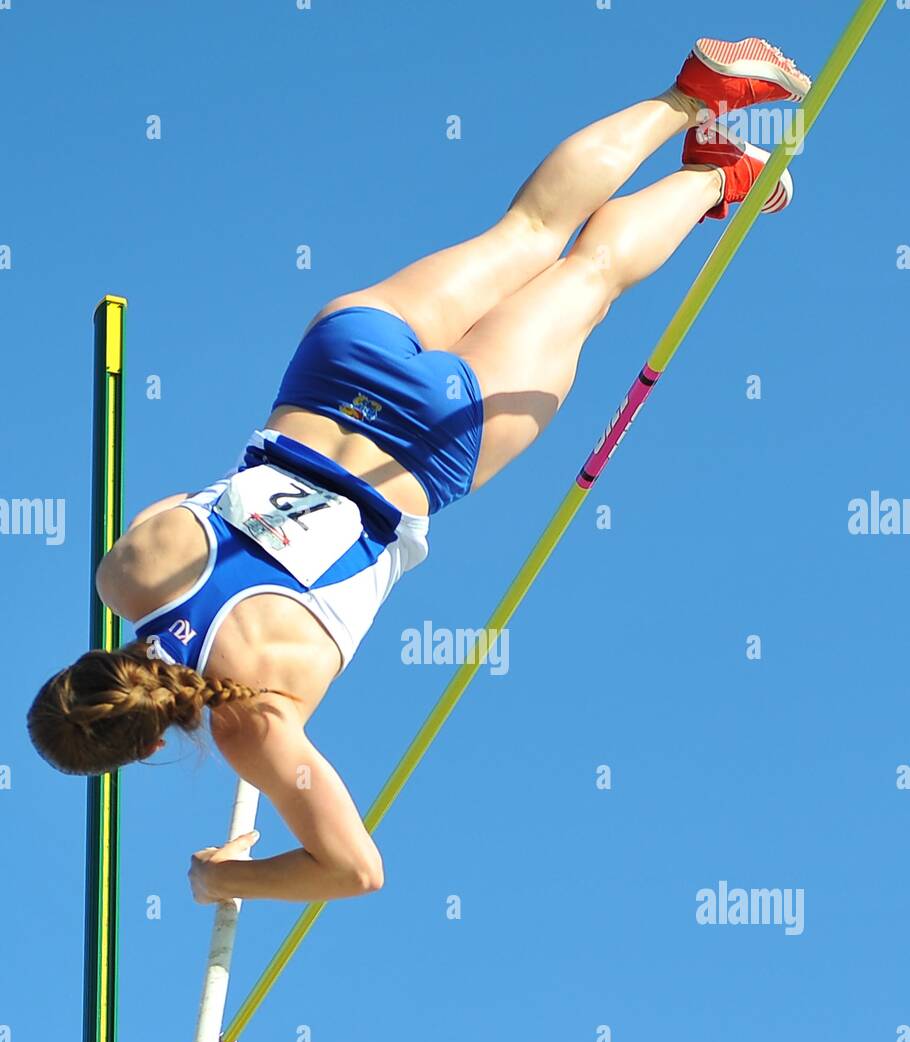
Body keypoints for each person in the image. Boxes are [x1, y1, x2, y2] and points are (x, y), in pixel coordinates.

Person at [27, 38, 811, 907]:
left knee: (593, 274)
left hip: (436, 440)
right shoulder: (125, 569)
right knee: (529, 232)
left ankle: (718, 177)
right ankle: (693, 95)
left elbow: (356, 870)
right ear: (89, 658)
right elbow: (196, 510)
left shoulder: (253, 720)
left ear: (140, 749)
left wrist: (224, 878)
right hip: (337, 366)